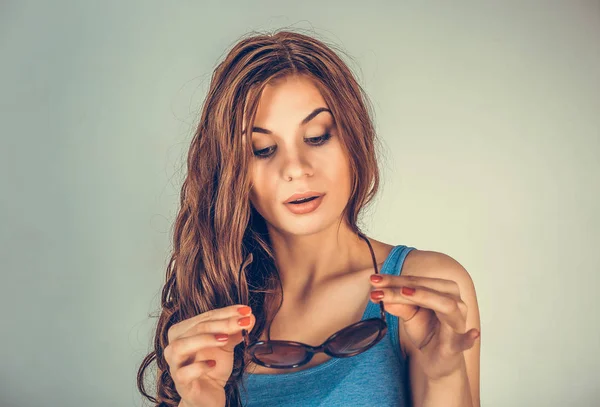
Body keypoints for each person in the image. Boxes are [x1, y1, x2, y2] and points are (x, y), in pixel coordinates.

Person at [137, 29, 481, 407]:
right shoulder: (213, 306)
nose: (296, 168)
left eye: (317, 137)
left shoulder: (427, 287)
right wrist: (200, 400)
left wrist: (444, 375)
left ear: (354, 139)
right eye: (263, 149)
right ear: (234, 171)